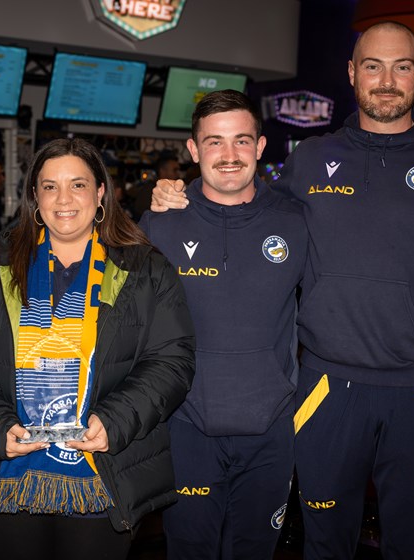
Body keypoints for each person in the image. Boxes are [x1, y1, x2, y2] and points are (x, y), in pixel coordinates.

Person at [151, 21, 414, 560]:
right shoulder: (311, 159)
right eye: (373, 66)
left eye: (401, 66)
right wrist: (177, 195)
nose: (386, 80)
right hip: (324, 389)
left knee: (413, 547)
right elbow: (248, 216)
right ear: (351, 73)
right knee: (322, 546)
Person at [0, 137, 195, 560]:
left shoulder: (145, 267)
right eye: (49, 186)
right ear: (34, 197)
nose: (63, 199)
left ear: (100, 193)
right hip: (7, 475)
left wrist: (115, 420)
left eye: (77, 185)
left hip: (104, 475)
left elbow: (172, 360)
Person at [139, 89, 307, 559]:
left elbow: (335, 300)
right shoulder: (159, 224)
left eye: (241, 141)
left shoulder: (295, 222)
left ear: (260, 146)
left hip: (271, 428)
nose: (229, 156)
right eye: (214, 142)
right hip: (186, 426)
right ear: (193, 151)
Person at [131, 152, 181, 221]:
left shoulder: (177, 191)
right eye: (175, 170)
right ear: (162, 171)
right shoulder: (148, 191)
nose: (178, 174)